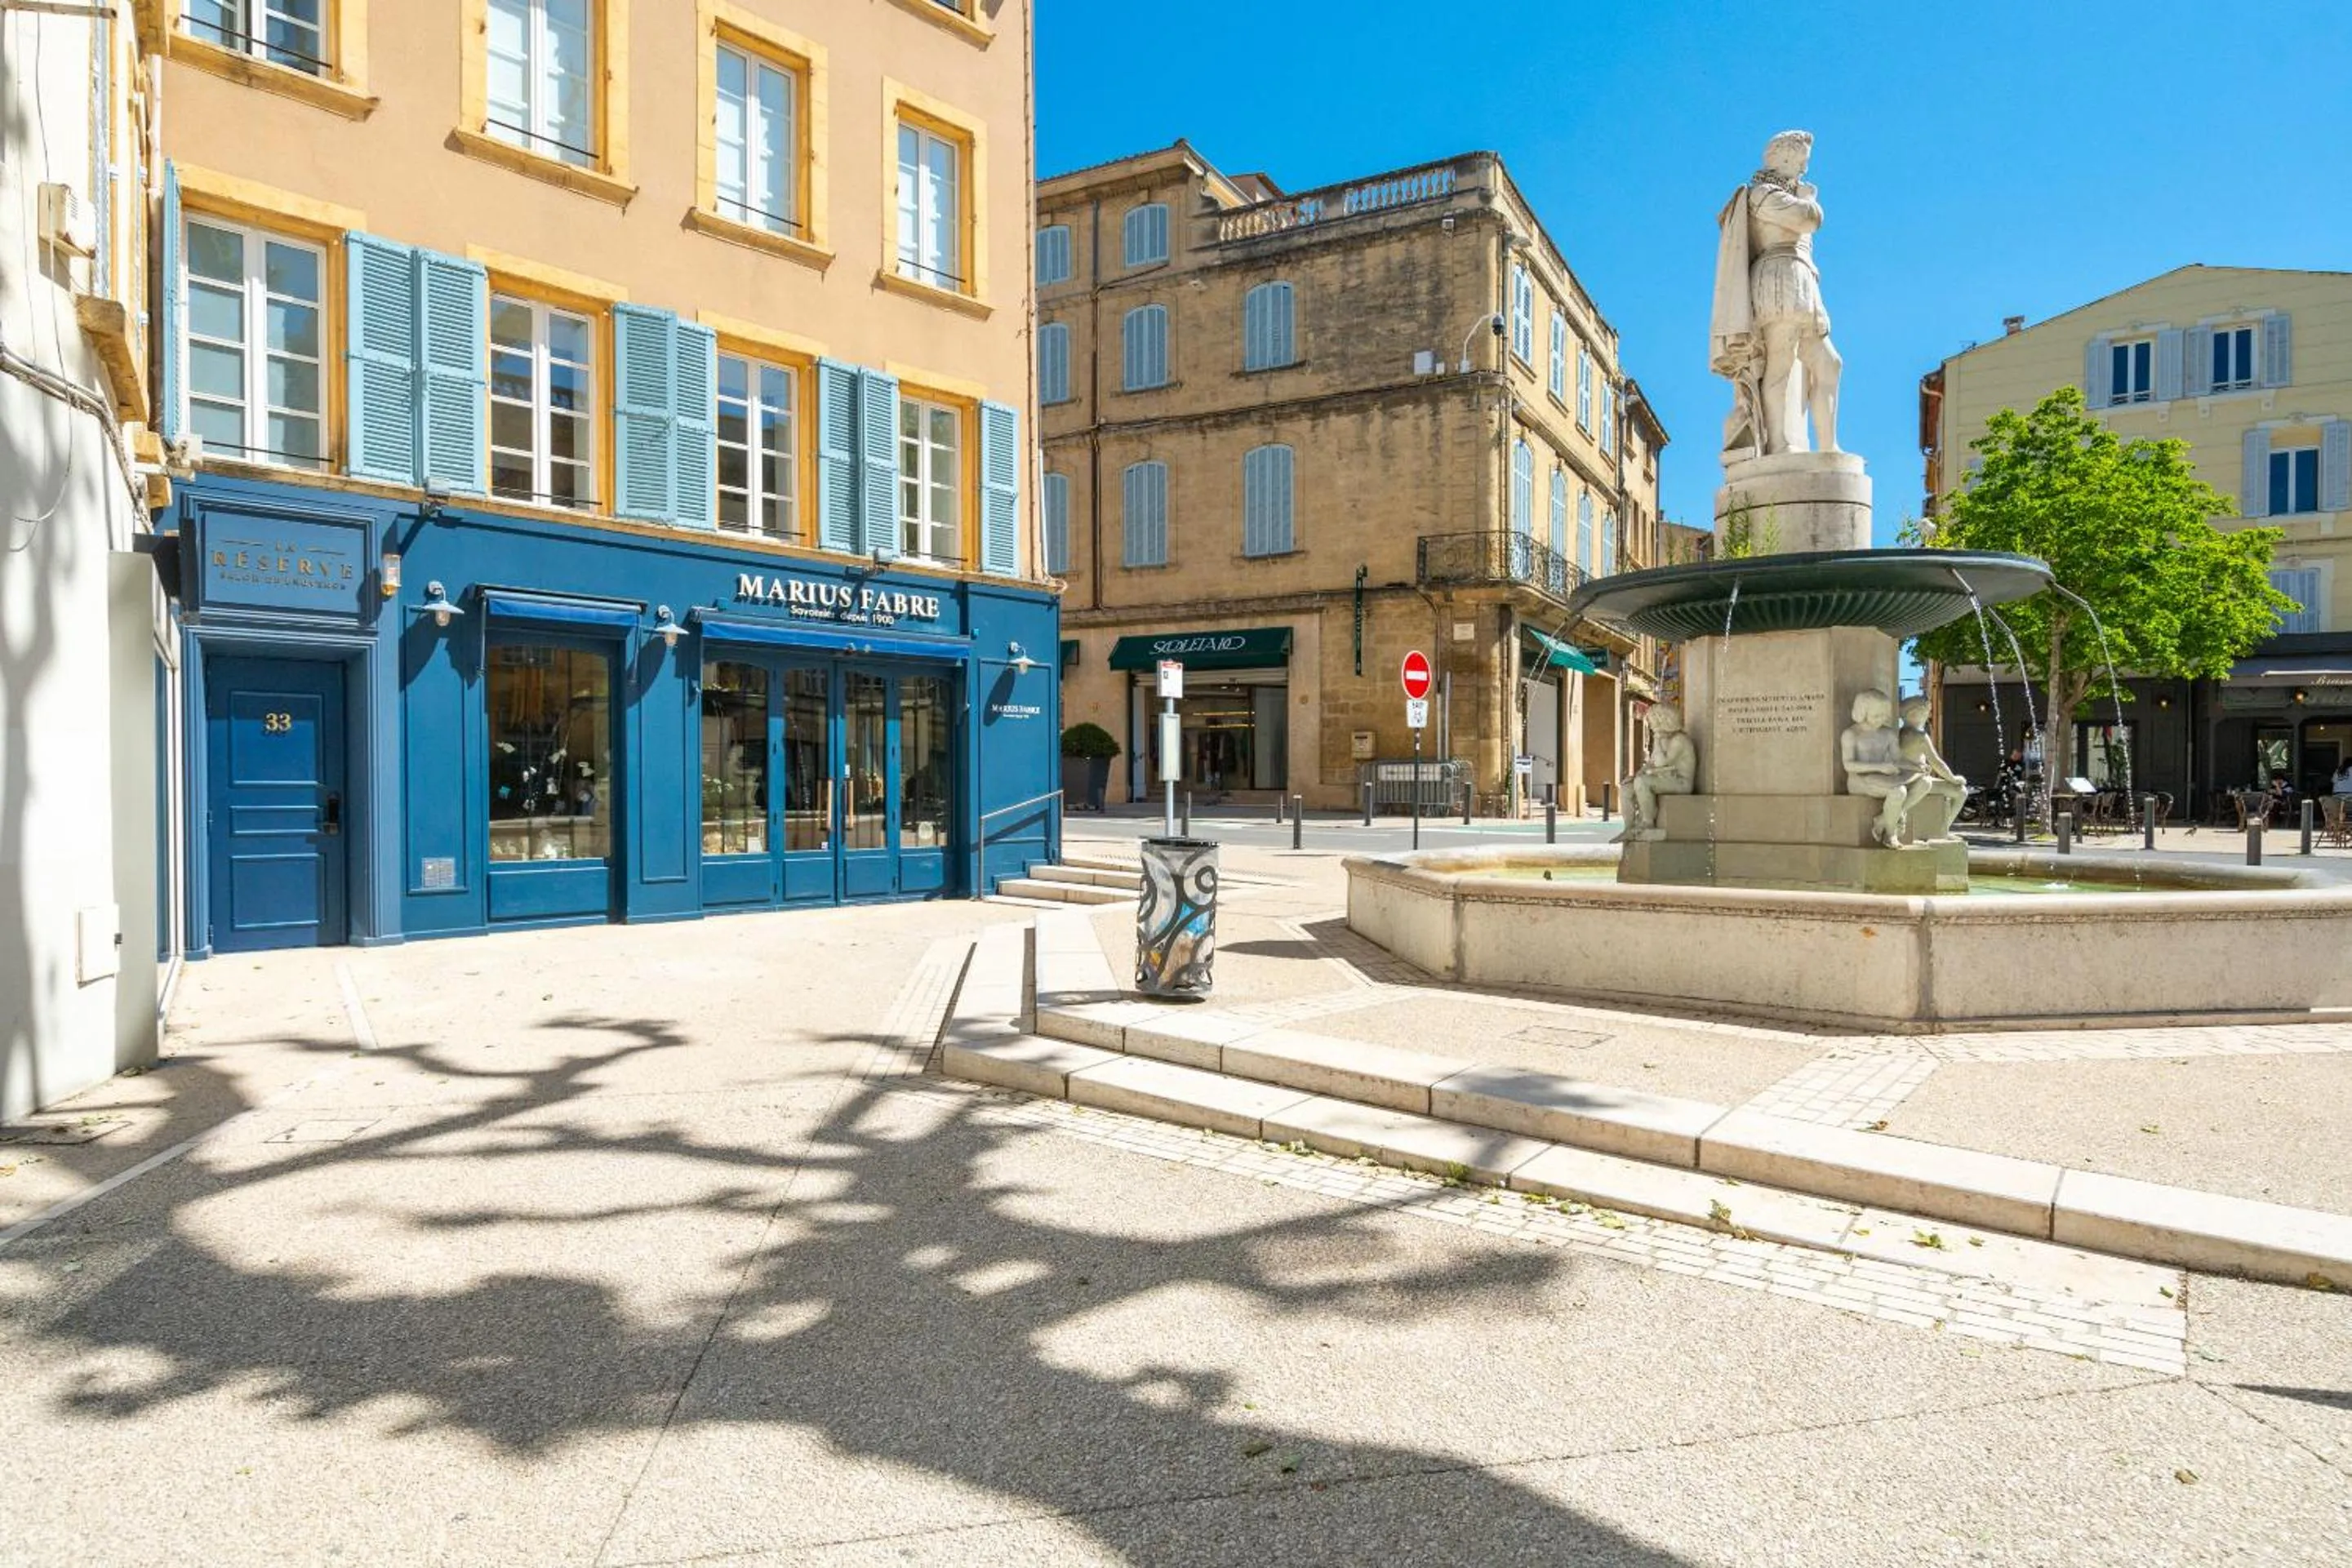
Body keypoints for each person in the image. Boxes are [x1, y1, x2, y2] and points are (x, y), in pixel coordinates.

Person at [1840, 690, 1931, 846]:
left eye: (1884, 716)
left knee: (1926, 783)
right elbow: (1848, 765)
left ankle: (1883, 819)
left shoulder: (1888, 733)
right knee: (1899, 791)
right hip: (1860, 781)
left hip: (1884, 777)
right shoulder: (1851, 734)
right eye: (1876, 716)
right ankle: (1890, 834)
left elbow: (1897, 759)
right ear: (1863, 711)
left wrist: (1917, 766)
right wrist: (1881, 767)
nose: (1881, 720)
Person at [1613, 705, 1697, 842]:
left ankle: (1648, 823)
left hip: (1681, 783)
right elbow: (1651, 764)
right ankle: (1629, 827)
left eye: (1652, 720)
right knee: (1626, 788)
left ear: (1663, 720)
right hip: (1665, 777)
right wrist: (1635, 776)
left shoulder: (1679, 740)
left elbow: (1660, 763)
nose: (1651, 724)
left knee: (1643, 783)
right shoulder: (1666, 738)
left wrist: (1657, 739)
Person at [1896, 695, 1967, 841]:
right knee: (1961, 792)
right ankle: (1943, 829)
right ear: (1913, 714)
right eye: (1926, 711)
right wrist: (1953, 779)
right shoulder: (1920, 736)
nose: (1928, 715)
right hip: (1916, 782)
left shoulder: (1899, 733)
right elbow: (1937, 763)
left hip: (1902, 780)